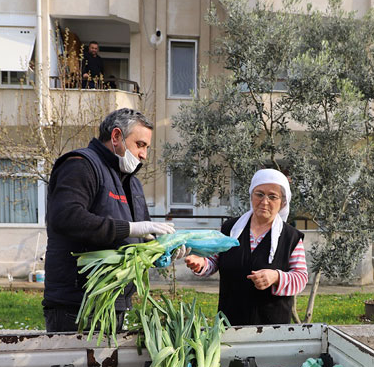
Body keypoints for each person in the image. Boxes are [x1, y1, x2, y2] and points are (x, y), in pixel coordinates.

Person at [43, 108, 175, 333]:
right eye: (140, 145)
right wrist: (130, 228)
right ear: (116, 137)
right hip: (78, 302)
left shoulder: (132, 183)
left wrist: (164, 249)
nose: (144, 155)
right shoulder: (80, 165)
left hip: (114, 301)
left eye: (147, 148)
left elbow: (144, 235)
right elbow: (66, 217)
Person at [185, 169, 308, 325]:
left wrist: (276, 277)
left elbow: (301, 278)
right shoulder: (230, 229)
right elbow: (213, 261)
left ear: (283, 203)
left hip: (271, 327)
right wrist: (200, 263)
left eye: (272, 196)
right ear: (251, 195)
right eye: (259, 194)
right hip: (230, 323)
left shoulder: (291, 237)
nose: (264, 201)